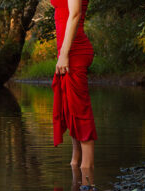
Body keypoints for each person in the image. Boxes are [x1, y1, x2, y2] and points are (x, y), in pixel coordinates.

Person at [51, 0, 97, 169]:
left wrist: (64, 54)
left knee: (80, 111)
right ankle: (76, 162)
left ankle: (87, 170)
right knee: (70, 109)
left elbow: (75, 14)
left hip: (74, 52)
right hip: (66, 51)